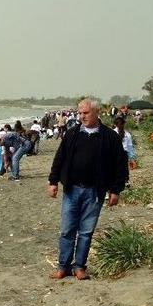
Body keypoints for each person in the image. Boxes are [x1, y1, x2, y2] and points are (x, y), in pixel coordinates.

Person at [48, 99, 127, 281]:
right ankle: (63, 267)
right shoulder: (72, 134)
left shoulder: (110, 137)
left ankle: (79, 267)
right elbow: (59, 158)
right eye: (80, 113)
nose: (82, 116)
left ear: (96, 113)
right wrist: (53, 181)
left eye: (86, 113)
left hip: (94, 192)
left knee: (85, 232)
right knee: (67, 230)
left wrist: (116, 190)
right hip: (72, 190)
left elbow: (120, 165)